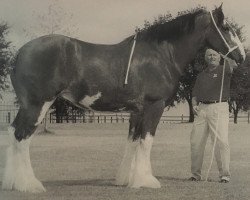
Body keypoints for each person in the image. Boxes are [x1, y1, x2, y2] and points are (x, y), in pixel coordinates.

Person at [189, 48, 237, 183]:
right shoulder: (201, 75)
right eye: (209, 55)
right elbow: (195, 94)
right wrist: (194, 105)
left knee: (221, 141)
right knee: (196, 142)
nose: (212, 57)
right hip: (202, 109)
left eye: (215, 55)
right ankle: (195, 175)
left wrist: (226, 56)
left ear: (219, 57)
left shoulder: (224, 69)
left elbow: (234, 64)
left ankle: (224, 175)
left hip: (219, 106)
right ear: (205, 58)